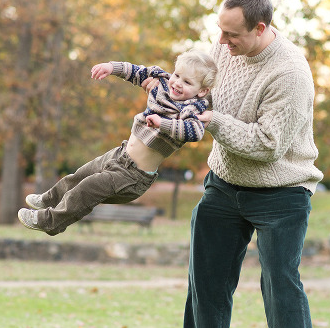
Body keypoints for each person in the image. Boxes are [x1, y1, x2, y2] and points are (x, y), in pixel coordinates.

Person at [181, 0, 325, 328]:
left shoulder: (291, 72)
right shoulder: (225, 48)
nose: (221, 43)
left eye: (232, 36)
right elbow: (200, 86)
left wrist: (213, 122)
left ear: (260, 28)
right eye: (220, 32)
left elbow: (268, 145)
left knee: (281, 285)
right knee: (205, 284)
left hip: (282, 192)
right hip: (224, 187)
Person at [17, 50, 217, 236]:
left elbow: (195, 132)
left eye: (187, 82)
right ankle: (49, 199)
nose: (177, 83)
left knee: (86, 189)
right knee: (79, 176)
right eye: (177, 75)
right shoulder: (162, 82)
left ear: (201, 91)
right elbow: (137, 72)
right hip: (119, 155)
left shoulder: (192, 109)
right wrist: (111, 68)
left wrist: (162, 123)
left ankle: (48, 221)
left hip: (133, 176)